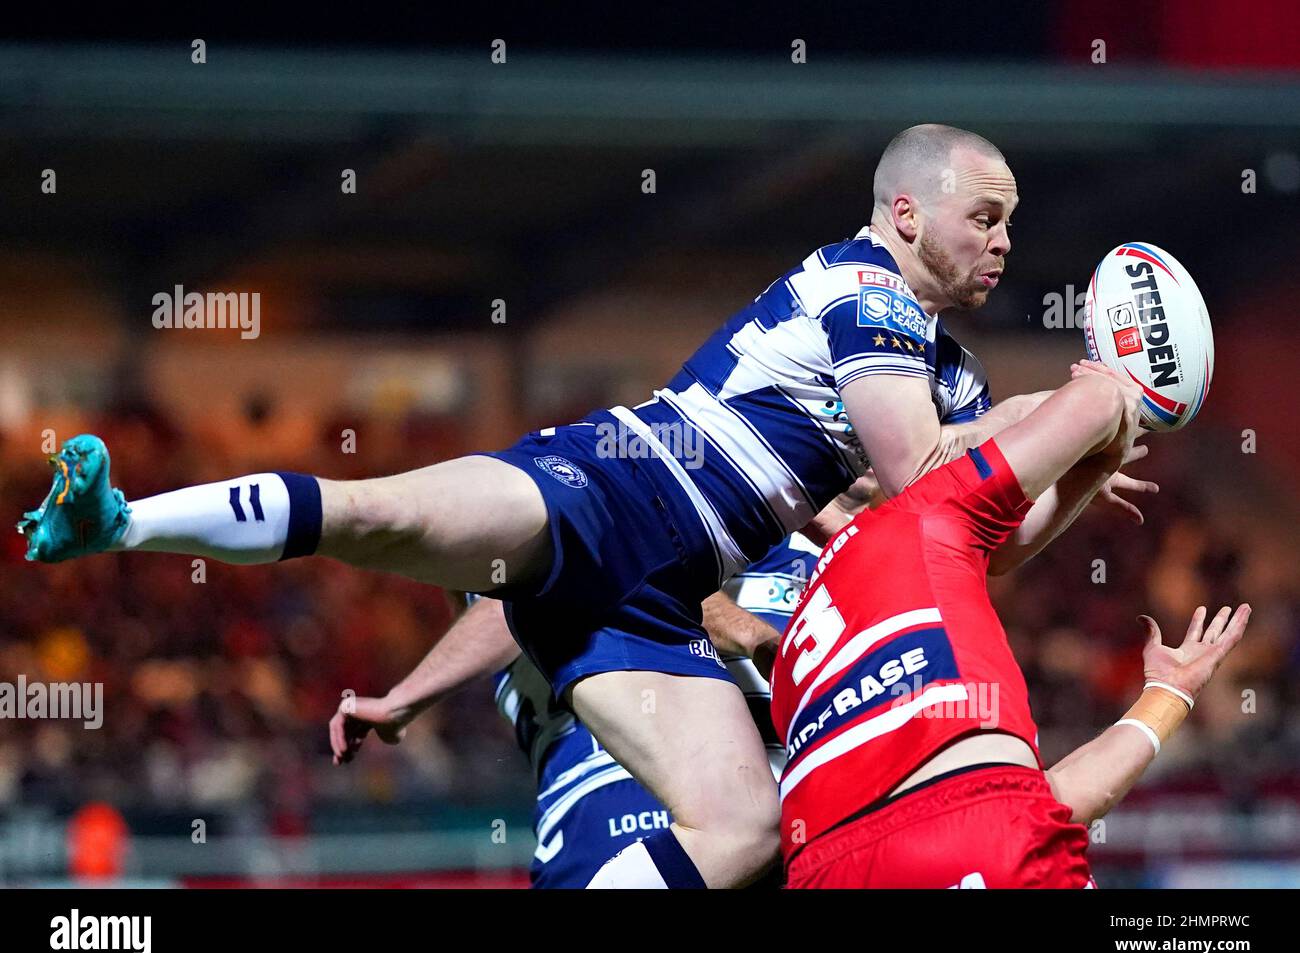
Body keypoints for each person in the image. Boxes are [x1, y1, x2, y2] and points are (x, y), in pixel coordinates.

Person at [18, 124, 1151, 887]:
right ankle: (121, 521)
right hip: (611, 482)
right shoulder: (861, 288)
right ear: (905, 212)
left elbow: (971, 540)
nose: (1003, 242)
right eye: (984, 218)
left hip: (657, 602)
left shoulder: (945, 373)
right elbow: (923, 479)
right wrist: (1090, 397)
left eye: (1009, 224)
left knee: (748, 831)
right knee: (378, 514)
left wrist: (1087, 465)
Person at [770, 361, 1249, 888]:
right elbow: (1095, 406)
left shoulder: (792, 651)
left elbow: (1048, 800)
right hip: (988, 833)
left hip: (823, 866)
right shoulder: (921, 516)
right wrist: (1116, 393)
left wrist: (1168, 693)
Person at [328, 536, 818, 888]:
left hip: (772, 817)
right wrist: (400, 701)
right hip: (613, 810)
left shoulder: (812, 557)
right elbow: (522, 600)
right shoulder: (543, 584)